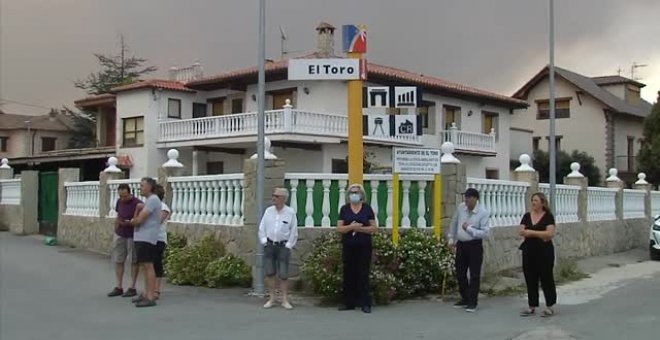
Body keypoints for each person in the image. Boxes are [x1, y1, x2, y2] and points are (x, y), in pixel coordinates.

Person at [448, 188, 491, 313]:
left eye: (468, 198)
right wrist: (451, 239)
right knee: (460, 272)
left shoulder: (483, 212)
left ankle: (473, 302)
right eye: (465, 197)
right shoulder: (461, 208)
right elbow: (454, 222)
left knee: (474, 275)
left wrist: (470, 229)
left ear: (475, 199)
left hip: (474, 246)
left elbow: (485, 233)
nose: (466, 200)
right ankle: (465, 298)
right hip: (461, 244)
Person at [336, 183, 378, 314]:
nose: (354, 195)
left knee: (363, 273)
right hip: (349, 246)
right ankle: (349, 302)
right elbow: (339, 228)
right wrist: (351, 227)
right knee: (349, 273)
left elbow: (374, 228)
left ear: (362, 195)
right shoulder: (344, 209)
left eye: (357, 192)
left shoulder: (367, 209)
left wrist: (360, 229)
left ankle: (365, 303)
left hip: (364, 246)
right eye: (352, 192)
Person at [258, 187, 298, 310]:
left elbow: (294, 231)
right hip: (270, 245)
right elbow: (262, 228)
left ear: (283, 198)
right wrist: (264, 242)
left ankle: (284, 299)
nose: (273, 198)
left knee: (283, 274)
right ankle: (272, 298)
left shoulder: (290, 212)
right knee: (270, 273)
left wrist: (288, 246)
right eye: (273, 195)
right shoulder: (268, 211)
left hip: (283, 246)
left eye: (276, 196)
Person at [519, 192, 557, 317]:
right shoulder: (526, 216)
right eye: (532, 200)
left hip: (544, 252)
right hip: (529, 251)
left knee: (546, 278)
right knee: (530, 278)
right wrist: (540, 234)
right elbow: (521, 231)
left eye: (535, 200)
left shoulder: (548, 217)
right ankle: (532, 306)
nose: (533, 203)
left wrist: (532, 232)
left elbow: (550, 234)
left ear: (542, 202)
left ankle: (549, 306)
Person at [132, 184, 170, 304]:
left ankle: (155, 291)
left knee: (154, 265)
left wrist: (140, 219)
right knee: (146, 265)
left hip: (158, 238)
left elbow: (156, 221)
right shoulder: (148, 205)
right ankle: (147, 291)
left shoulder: (163, 207)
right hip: (147, 237)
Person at [128, 177, 162, 308]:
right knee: (145, 266)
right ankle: (147, 293)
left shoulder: (153, 200)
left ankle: (150, 295)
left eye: (142, 185)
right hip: (142, 237)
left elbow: (140, 219)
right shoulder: (149, 200)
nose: (140, 188)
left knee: (148, 266)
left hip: (146, 237)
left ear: (149, 187)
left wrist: (131, 222)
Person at [107, 184, 142, 298]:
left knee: (134, 261)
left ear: (129, 193)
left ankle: (132, 286)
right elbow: (118, 214)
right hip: (120, 233)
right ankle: (119, 286)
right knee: (119, 259)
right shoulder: (119, 202)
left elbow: (140, 219)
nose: (122, 199)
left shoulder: (137, 203)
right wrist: (116, 227)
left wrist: (130, 222)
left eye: (125, 196)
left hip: (132, 234)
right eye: (121, 196)